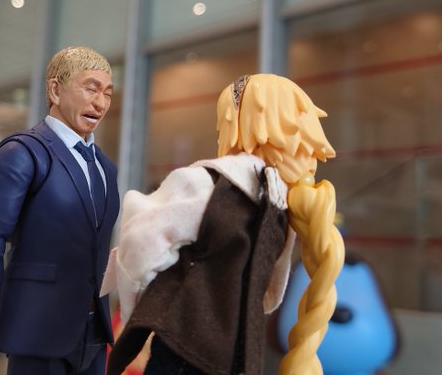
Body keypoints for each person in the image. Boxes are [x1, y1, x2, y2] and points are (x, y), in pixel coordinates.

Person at [101, 73, 345, 375]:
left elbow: (142, 241)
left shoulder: (226, 188)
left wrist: (138, 303)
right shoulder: (270, 202)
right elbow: (268, 294)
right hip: (220, 350)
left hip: (198, 348)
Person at [0, 46, 120, 375]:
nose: (100, 103)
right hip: (38, 331)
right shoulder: (22, 153)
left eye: (107, 93)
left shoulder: (105, 167)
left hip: (93, 334)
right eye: (90, 89)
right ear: (55, 90)